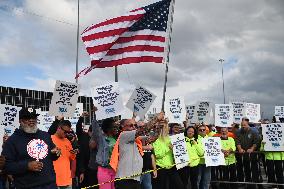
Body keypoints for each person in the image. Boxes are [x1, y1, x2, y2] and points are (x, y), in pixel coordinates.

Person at [1, 108, 61, 189]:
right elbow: (6, 167)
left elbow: (52, 156)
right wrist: (27, 166)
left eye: (34, 117)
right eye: (27, 118)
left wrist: (56, 153)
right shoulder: (12, 141)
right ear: (20, 121)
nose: (31, 120)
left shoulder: (45, 135)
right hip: (27, 186)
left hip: (50, 185)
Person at [110, 112, 165, 189]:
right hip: (125, 179)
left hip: (135, 178)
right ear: (122, 127)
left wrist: (159, 126)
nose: (134, 127)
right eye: (131, 125)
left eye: (135, 125)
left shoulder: (136, 140)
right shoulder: (124, 135)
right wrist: (156, 118)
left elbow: (153, 138)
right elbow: (143, 130)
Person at [152, 120, 184, 189]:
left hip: (171, 166)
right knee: (162, 187)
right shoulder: (156, 140)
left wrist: (174, 150)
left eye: (167, 126)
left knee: (179, 185)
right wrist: (168, 148)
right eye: (166, 127)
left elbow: (177, 152)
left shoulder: (170, 138)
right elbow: (158, 155)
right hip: (161, 167)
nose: (168, 128)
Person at [91, 110, 118, 189]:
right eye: (114, 127)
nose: (116, 128)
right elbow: (95, 129)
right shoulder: (101, 138)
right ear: (108, 128)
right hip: (104, 170)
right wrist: (95, 114)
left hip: (115, 170)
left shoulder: (116, 138)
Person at [236, 117, 262, 189]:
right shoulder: (238, 131)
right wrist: (240, 149)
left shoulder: (254, 131)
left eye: (244, 125)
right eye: (242, 125)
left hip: (253, 156)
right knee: (246, 171)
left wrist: (252, 149)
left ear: (248, 124)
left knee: (255, 171)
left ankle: (259, 184)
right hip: (244, 156)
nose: (243, 127)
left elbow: (256, 141)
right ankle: (248, 185)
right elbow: (237, 141)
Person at [51, 120, 77, 189]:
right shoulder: (50, 139)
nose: (66, 134)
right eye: (65, 131)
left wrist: (74, 153)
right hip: (54, 180)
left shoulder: (67, 141)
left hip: (67, 180)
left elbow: (72, 158)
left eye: (68, 132)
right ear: (59, 128)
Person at [75, 112, 93, 188]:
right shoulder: (83, 135)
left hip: (93, 169)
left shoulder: (98, 140)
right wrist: (81, 117)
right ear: (89, 131)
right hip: (82, 168)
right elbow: (78, 127)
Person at [196, 125, 211, 189]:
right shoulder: (195, 139)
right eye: (200, 130)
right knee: (197, 180)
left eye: (203, 130)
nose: (202, 131)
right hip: (198, 162)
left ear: (206, 131)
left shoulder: (210, 139)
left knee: (206, 180)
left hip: (207, 163)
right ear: (198, 131)